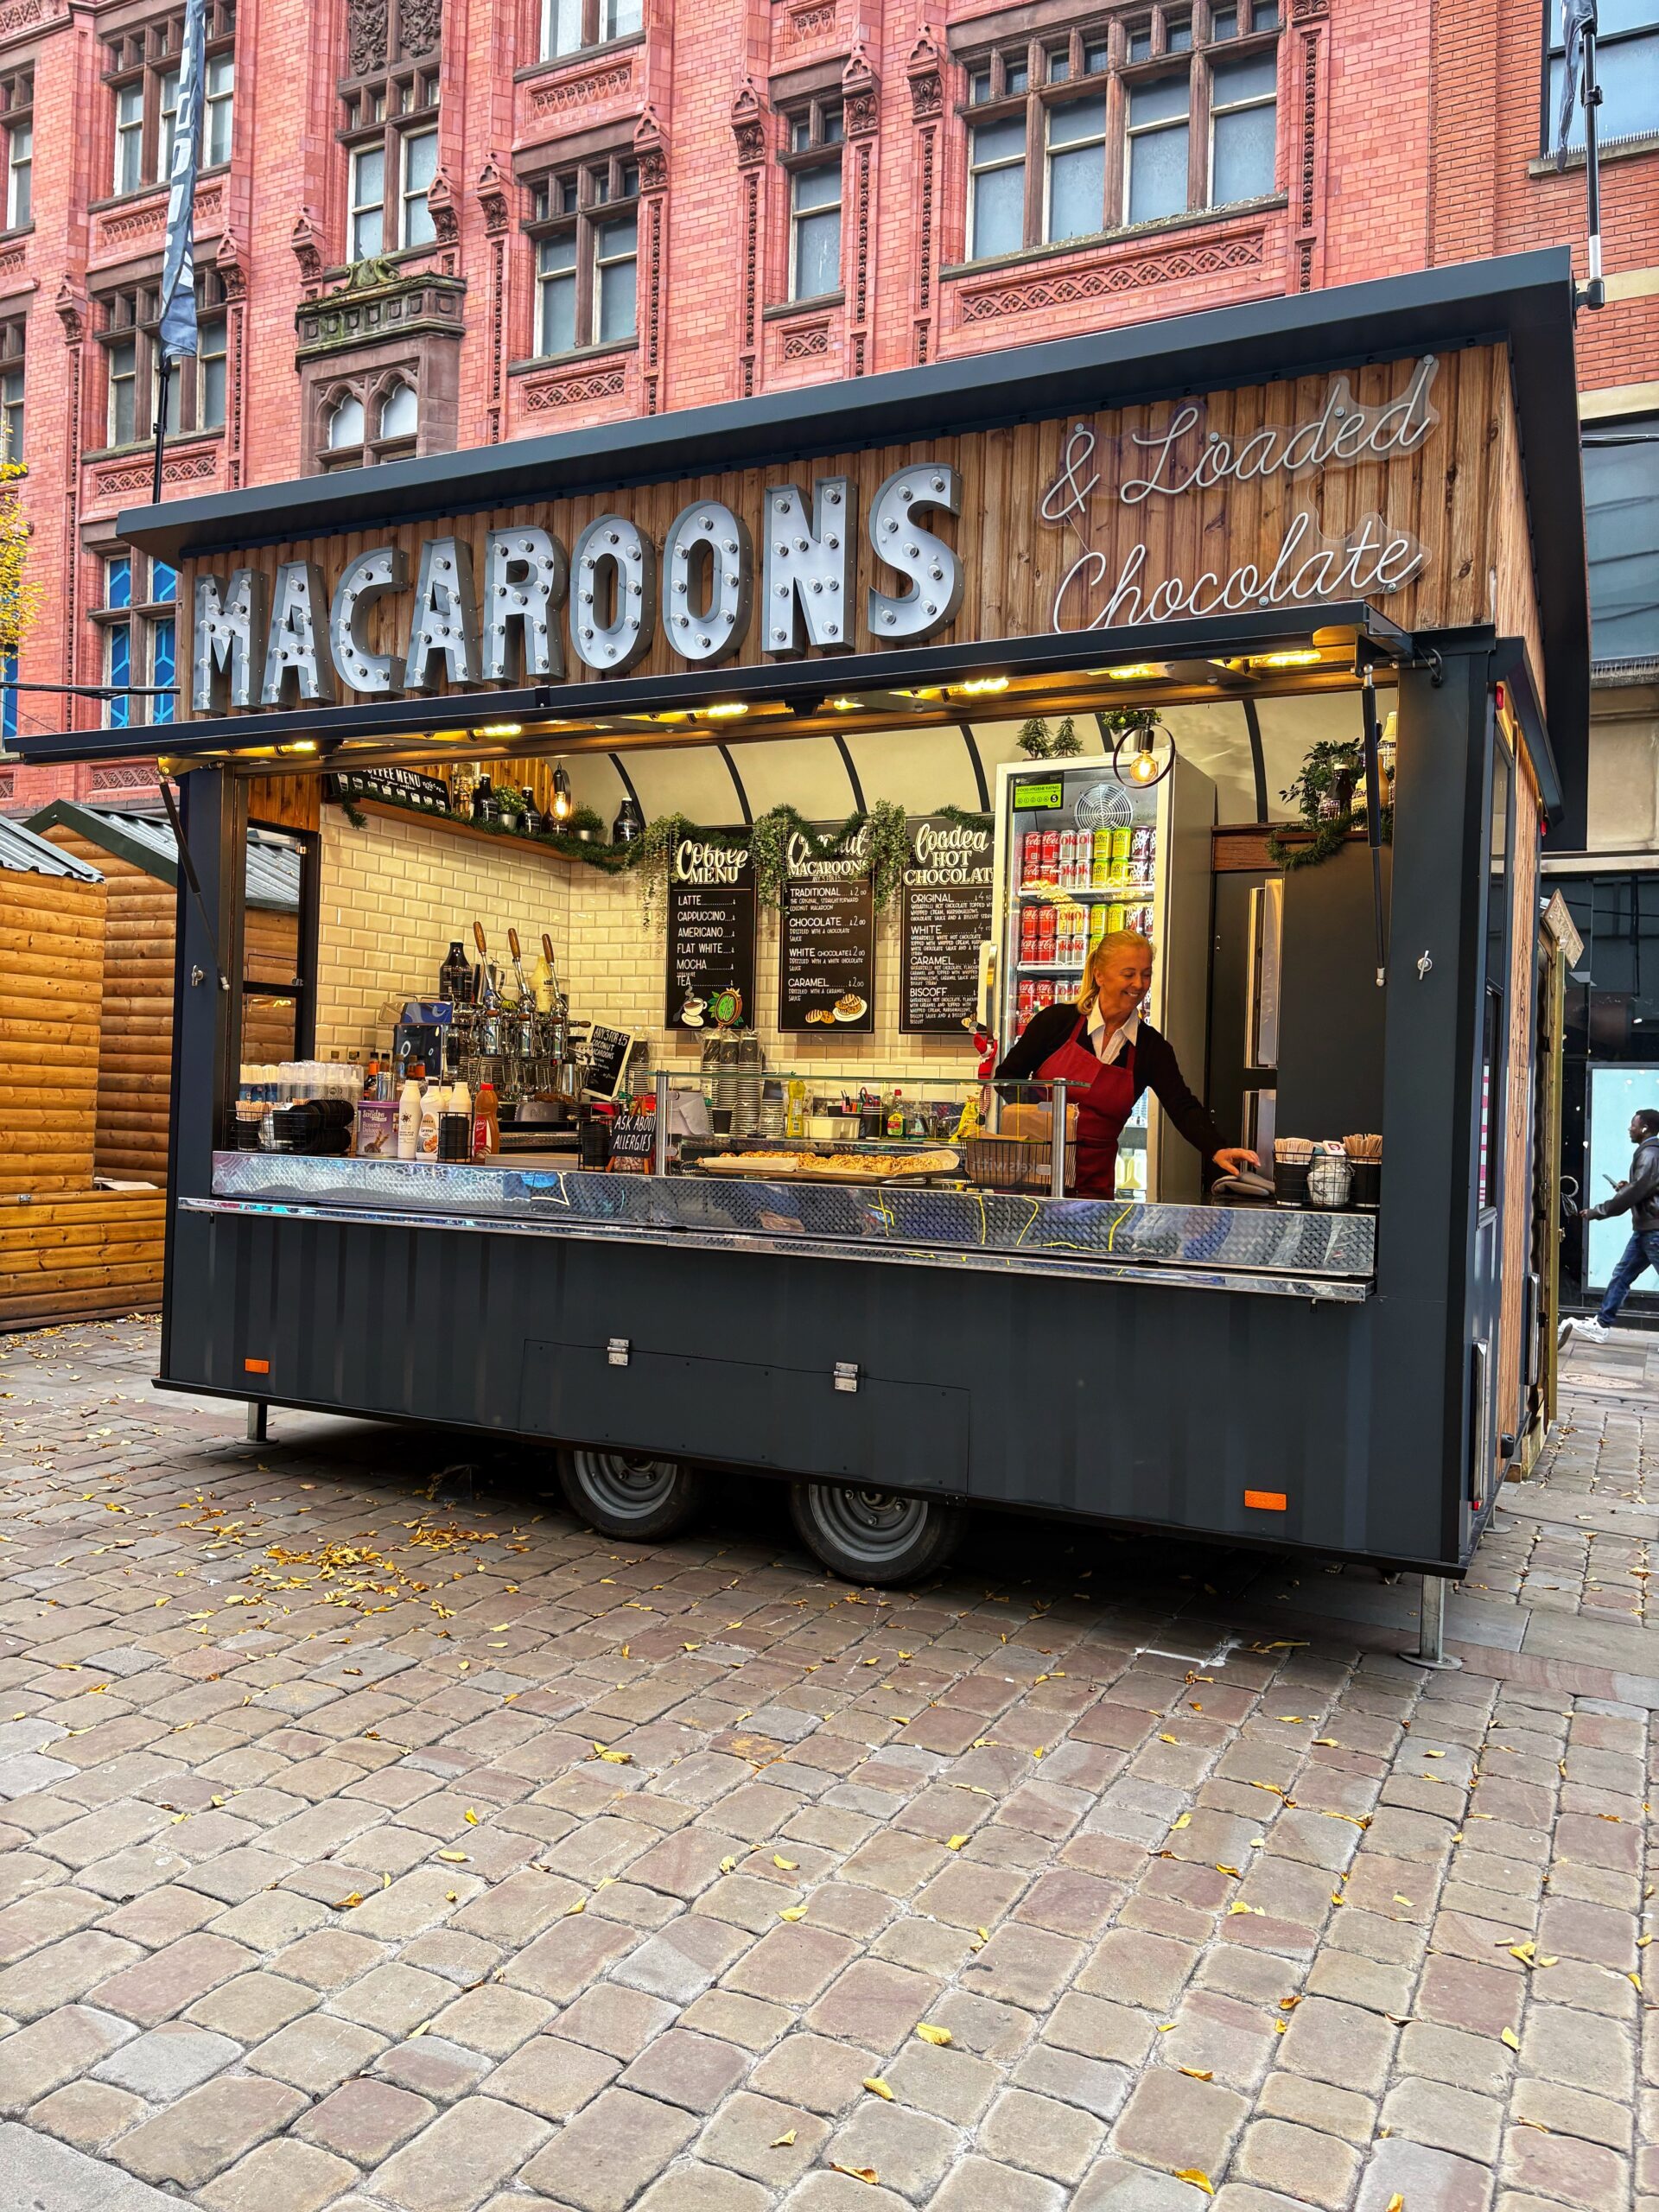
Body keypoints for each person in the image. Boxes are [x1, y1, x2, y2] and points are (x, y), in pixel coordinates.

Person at [995, 927, 1258, 1199]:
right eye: (1128, 974)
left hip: (1093, 1186)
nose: (1139, 984)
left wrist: (1216, 1149)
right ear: (1099, 975)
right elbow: (1006, 1078)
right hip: (1032, 1177)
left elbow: (1182, 1106)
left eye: (1146, 974)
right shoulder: (1056, 1022)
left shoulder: (1151, 1048)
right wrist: (1043, 1116)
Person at [1573, 1108, 1659, 1340]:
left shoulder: (1650, 1154)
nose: (1629, 1128)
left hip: (1654, 1231)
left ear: (1644, 1129)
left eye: (1633, 1124)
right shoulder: (1649, 1152)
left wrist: (1597, 1211)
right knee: (1621, 1275)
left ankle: (1602, 1323)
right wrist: (1627, 1187)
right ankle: (1601, 1325)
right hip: (1646, 1230)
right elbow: (1642, 1189)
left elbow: (1638, 1191)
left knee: (1621, 1275)